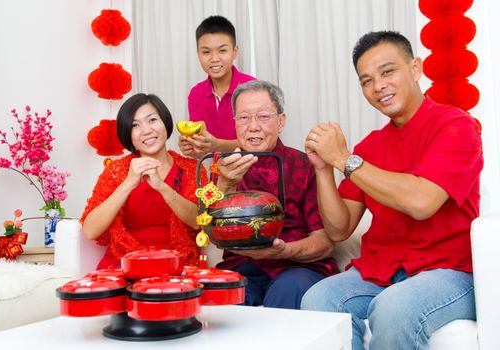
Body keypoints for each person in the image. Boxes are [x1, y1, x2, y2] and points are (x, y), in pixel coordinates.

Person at [301, 31, 483, 350]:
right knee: (317, 300)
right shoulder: (370, 146)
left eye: (388, 71)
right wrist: (323, 169)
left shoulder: (457, 126)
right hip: (381, 270)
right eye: (367, 80)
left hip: (450, 272)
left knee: (394, 309)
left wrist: (344, 159)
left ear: (415, 68)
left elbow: (421, 201)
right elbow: (339, 228)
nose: (378, 86)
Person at [213, 80, 339, 309]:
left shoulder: (305, 165)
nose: (253, 126)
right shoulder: (223, 168)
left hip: (296, 267)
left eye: (263, 116)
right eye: (243, 118)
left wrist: (284, 250)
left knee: (286, 290)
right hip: (243, 266)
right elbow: (209, 231)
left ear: (281, 121)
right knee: (227, 295)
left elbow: (325, 241)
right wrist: (224, 184)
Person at [81, 93, 207, 269]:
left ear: (165, 122)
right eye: (135, 125)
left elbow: (198, 220)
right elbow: (90, 230)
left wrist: (162, 187)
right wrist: (128, 184)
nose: (147, 130)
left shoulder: (192, 168)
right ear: (128, 134)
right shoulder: (117, 171)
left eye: (152, 120)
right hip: (125, 264)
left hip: (178, 265)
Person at [179, 15, 255, 159]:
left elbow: (259, 143)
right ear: (198, 54)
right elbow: (201, 149)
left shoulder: (252, 88)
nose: (214, 59)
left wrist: (216, 145)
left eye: (222, 50)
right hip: (220, 174)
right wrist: (191, 146)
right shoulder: (196, 94)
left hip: (258, 171)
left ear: (235, 51)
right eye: (206, 52)